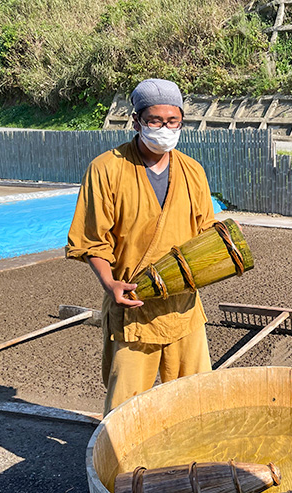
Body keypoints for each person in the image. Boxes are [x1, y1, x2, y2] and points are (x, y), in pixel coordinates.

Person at [66, 78, 216, 415]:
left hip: (183, 308)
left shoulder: (193, 171)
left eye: (172, 121)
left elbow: (206, 233)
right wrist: (110, 284)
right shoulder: (107, 169)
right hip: (133, 304)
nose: (164, 128)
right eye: (155, 121)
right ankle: (120, 464)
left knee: (197, 400)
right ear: (136, 121)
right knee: (125, 408)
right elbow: (93, 240)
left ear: (181, 121)